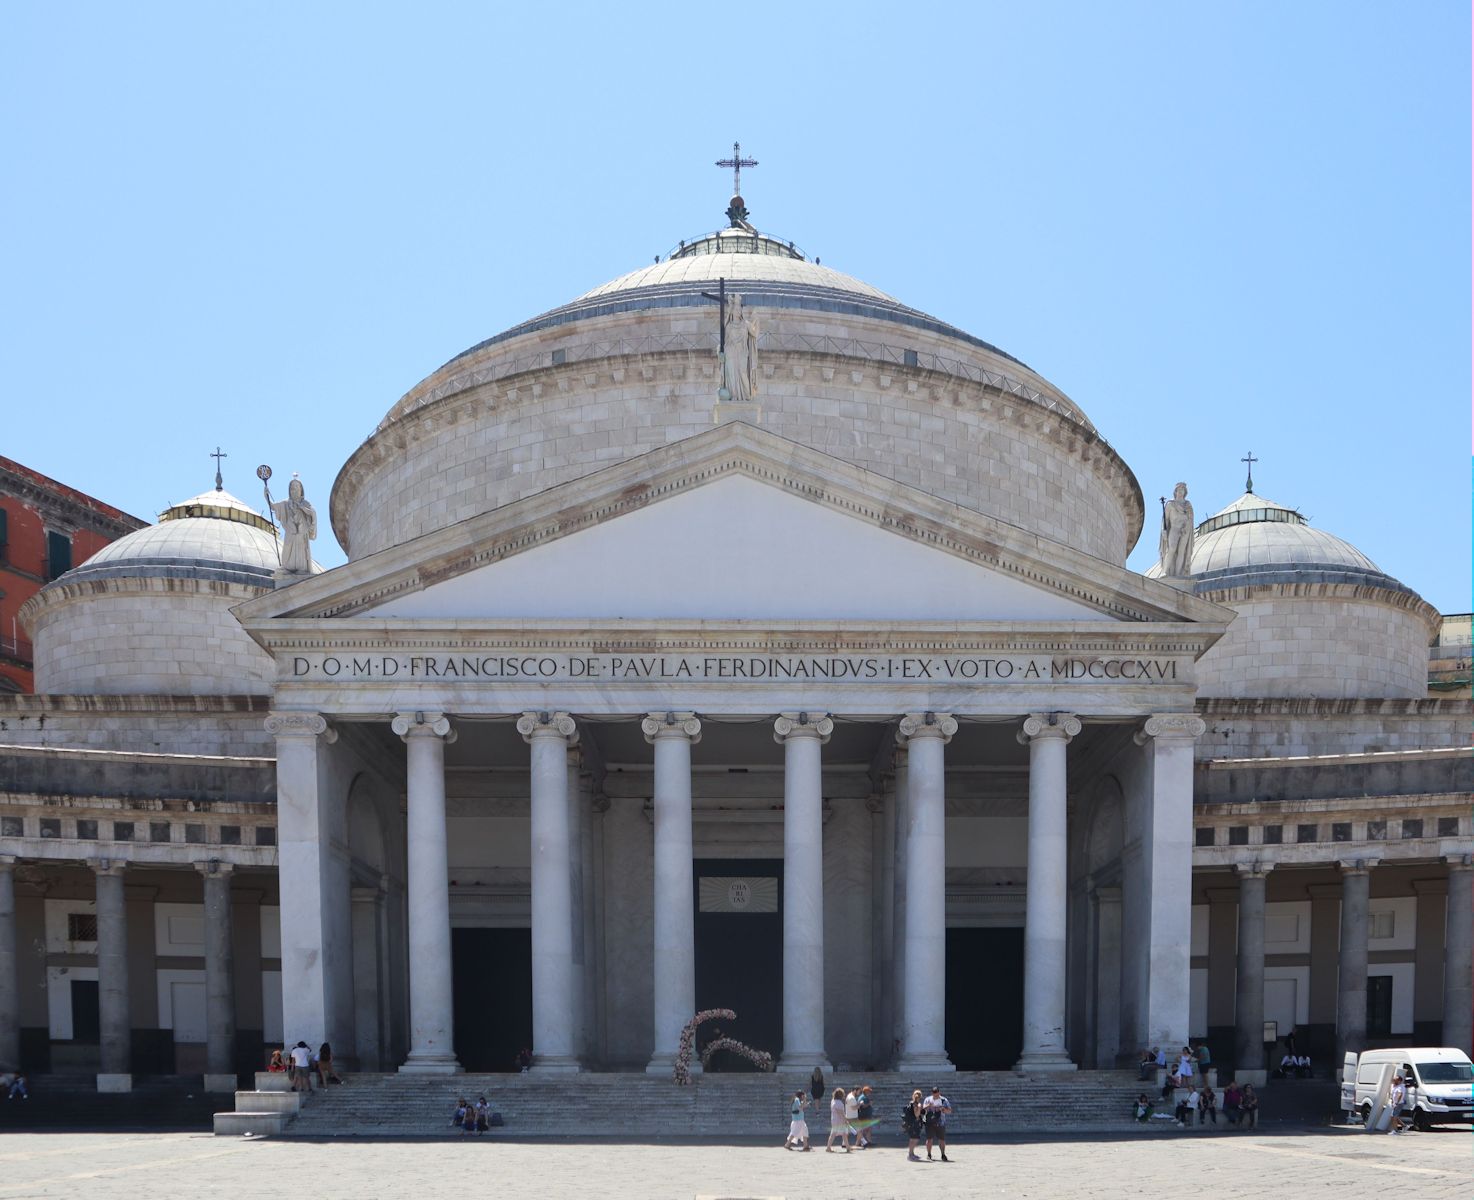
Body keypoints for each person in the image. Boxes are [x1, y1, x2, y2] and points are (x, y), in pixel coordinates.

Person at [922, 1086, 952, 1162]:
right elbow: (922, 1110)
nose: (936, 1096)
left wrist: (943, 1109)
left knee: (942, 1139)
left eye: (937, 1094)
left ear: (939, 1092)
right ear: (932, 1093)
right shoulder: (928, 1099)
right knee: (929, 1139)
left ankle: (943, 1154)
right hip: (929, 1122)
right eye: (934, 1094)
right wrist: (928, 1106)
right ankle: (929, 1154)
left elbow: (949, 1111)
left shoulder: (944, 1100)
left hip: (940, 1122)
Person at [902, 1089, 925, 1161]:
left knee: (912, 1139)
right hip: (914, 1124)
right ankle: (910, 1154)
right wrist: (920, 1107)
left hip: (911, 1124)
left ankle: (911, 1153)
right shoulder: (916, 1104)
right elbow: (917, 1115)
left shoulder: (911, 1103)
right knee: (914, 1139)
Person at [826, 1087, 850, 1152]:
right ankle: (847, 1148)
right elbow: (841, 1113)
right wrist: (845, 1120)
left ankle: (847, 1147)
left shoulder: (833, 1101)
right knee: (841, 1134)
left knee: (836, 1134)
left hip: (834, 1119)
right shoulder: (839, 1103)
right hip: (839, 1120)